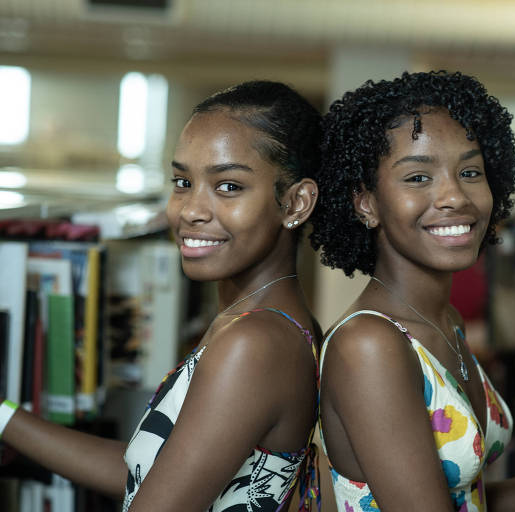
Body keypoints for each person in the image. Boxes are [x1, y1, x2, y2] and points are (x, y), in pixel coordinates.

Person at [309, 70, 515, 512]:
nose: (455, 196)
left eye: (470, 171)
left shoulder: (444, 320)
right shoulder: (368, 346)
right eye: (417, 178)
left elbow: (470, 502)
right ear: (365, 203)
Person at [0, 80, 322, 511]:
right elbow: (147, 472)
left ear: (296, 202)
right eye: (182, 181)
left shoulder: (255, 344)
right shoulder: (257, 323)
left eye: (228, 186)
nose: (190, 210)